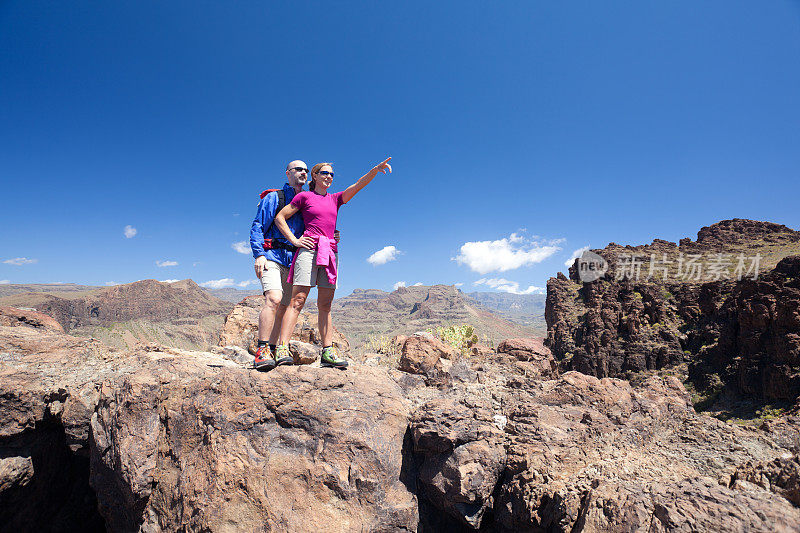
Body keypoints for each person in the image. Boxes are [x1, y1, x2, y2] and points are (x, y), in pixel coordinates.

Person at [273, 157, 392, 369]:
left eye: (331, 174)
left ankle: (327, 353)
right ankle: (282, 347)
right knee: (298, 300)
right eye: (325, 173)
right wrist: (294, 240)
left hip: (329, 252)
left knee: (325, 305)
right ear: (315, 176)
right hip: (308, 250)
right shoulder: (304, 197)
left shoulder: (336, 198)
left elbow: (357, 186)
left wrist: (374, 170)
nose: (329, 177)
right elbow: (280, 217)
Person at [248, 160, 309, 371]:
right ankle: (262, 349)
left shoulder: (306, 201)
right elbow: (258, 226)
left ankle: (275, 350)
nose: (303, 173)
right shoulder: (275, 198)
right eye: (298, 169)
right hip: (272, 256)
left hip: (294, 261)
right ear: (288, 173)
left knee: (284, 308)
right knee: (273, 299)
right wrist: (259, 255)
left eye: (306, 170)